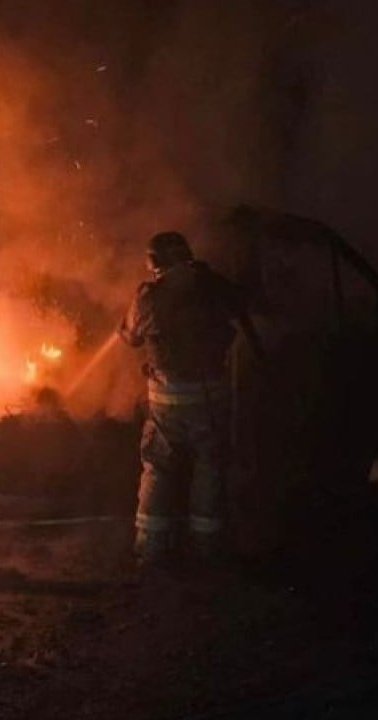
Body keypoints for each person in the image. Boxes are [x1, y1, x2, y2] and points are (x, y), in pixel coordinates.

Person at [118, 231, 263, 567]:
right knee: (209, 469)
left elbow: (131, 336)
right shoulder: (212, 287)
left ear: (156, 263)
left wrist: (122, 329)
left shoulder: (150, 297)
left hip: (165, 406)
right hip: (210, 402)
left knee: (158, 469)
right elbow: (242, 303)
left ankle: (151, 549)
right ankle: (207, 547)